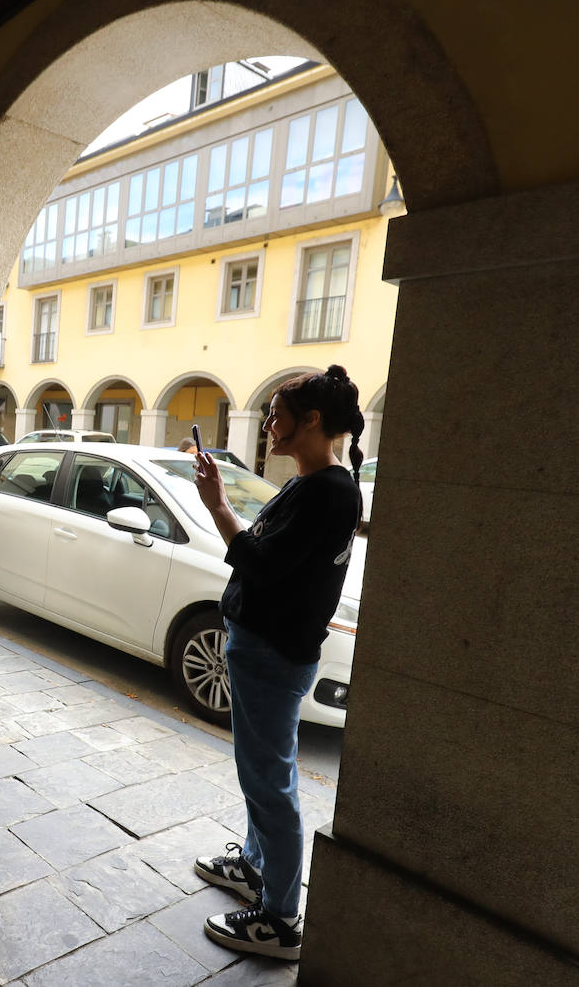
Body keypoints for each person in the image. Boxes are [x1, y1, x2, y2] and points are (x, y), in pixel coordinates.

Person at [191, 365, 364, 962]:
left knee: (270, 780)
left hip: (272, 652)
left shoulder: (331, 491)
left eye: (275, 414)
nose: (267, 424)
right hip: (262, 647)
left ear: (311, 421)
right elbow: (270, 552)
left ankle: (282, 918)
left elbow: (259, 561)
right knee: (260, 773)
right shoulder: (312, 481)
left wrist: (216, 505)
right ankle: (255, 864)